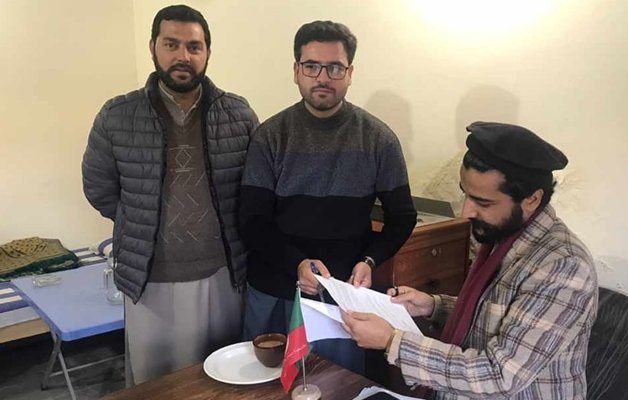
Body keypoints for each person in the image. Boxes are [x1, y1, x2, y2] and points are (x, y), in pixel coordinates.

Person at [341, 122, 598, 400]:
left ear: (532, 199)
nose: (466, 211)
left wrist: (392, 341)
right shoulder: (502, 236)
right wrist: (434, 306)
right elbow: (497, 317)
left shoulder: (563, 267)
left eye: (483, 202)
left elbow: (499, 376)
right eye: (465, 193)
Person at [81, 5, 258, 385]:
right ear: (153, 47)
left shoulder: (238, 114)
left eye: (194, 47)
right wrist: (141, 220)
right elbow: (98, 187)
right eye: (171, 44)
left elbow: (253, 188)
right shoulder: (117, 115)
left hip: (222, 275)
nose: (183, 56)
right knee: (156, 383)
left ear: (207, 52)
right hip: (150, 279)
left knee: (221, 378)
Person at [239, 20, 417, 373]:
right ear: (296, 71)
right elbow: (252, 220)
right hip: (274, 289)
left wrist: (369, 260)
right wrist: (297, 264)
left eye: (335, 67)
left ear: (349, 73)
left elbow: (403, 216)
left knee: (337, 384)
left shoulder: (378, 139)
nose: (323, 77)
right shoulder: (270, 136)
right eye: (312, 66)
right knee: (264, 384)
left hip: (342, 297)